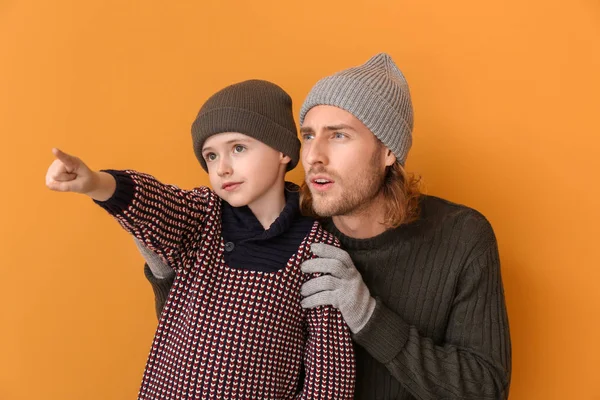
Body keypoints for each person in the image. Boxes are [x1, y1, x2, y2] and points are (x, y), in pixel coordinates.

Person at [144, 54, 512, 399]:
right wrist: (166, 276)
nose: (314, 156)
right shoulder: (288, 227)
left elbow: (485, 388)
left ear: (388, 152)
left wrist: (368, 316)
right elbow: (213, 347)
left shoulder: (461, 236)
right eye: (307, 135)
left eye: (338, 135)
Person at [45, 80, 355, 400]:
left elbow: (330, 378)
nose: (222, 168)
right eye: (210, 156)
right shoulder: (203, 216)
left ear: (281, 151)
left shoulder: (318, 252)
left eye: (238, 148)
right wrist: (97, 184)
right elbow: (156, 204)